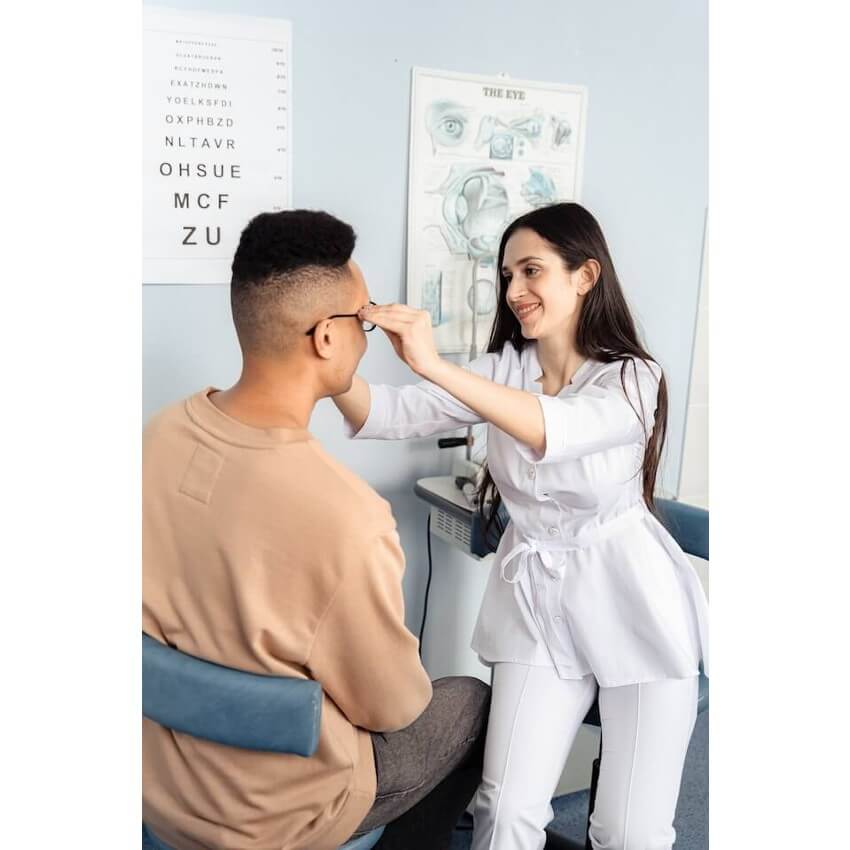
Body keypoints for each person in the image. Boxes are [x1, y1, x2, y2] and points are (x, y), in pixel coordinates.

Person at [332, 202, 709, 850]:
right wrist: (323, 352)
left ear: (586, 275)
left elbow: (551, 430)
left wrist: (434, 362)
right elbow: (386, 411)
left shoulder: (633, 379)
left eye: (531, 271)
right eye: (507, 275)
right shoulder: (502, 370)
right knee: (504, 811)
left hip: (635, 606)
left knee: (629, 831)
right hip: (538, 606)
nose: (513, 291)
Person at [143, 209, 490, 850]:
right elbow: (395, 710)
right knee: (468, 703)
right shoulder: (348, 519)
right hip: (278, 814)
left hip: (159, 784)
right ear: (327, 338)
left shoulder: (157, 436)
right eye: (364, 318)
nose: (367, 333)